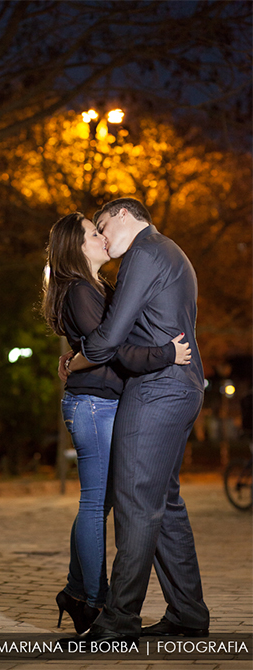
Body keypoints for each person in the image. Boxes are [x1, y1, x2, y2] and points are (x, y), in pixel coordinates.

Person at [67, 198, 209, 643]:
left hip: (157, 392)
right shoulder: (170, 251)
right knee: (163, 505)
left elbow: (111, 335)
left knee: (134, 505)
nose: (104, 237)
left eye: (104, 225)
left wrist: (75, 360)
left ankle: (118, 621)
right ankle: (187, 614)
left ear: (124, 216)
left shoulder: (144, 253)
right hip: (180, 385)